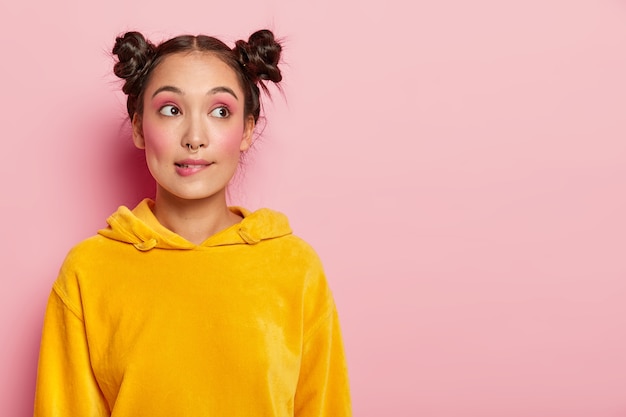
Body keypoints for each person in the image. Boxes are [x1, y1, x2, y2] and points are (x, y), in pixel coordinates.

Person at [33, 29, 351, 417]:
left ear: (247, 130)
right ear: (138, 127)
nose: (195, 137)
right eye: (171, 109)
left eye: (220, 111)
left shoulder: (296, 268)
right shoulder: (88, 272)